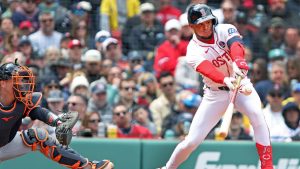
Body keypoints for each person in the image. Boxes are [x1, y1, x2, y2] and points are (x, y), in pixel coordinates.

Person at [159, 4, 274, 169]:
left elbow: (235, 45)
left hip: (241, 85)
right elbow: (208, 69)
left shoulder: (225, 29)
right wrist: (225, 79)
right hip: (215, 94)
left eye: (208, 22)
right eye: (200, 24)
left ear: (213, 20)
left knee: (257, 115)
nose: (205, 27)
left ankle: (267, 166)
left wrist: (239, 61)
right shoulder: (192, 50)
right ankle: (168, 168)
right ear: (192, 27)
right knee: (192, 141)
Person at [0, 61, 113, 169]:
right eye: (16, 80)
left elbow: (37, 112)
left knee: (39, 136)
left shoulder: (22, 100)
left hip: (5, 145)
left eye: (21, 80)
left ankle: (88, 167)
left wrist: (58, 122)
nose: (21, 83)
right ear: (3, 83)